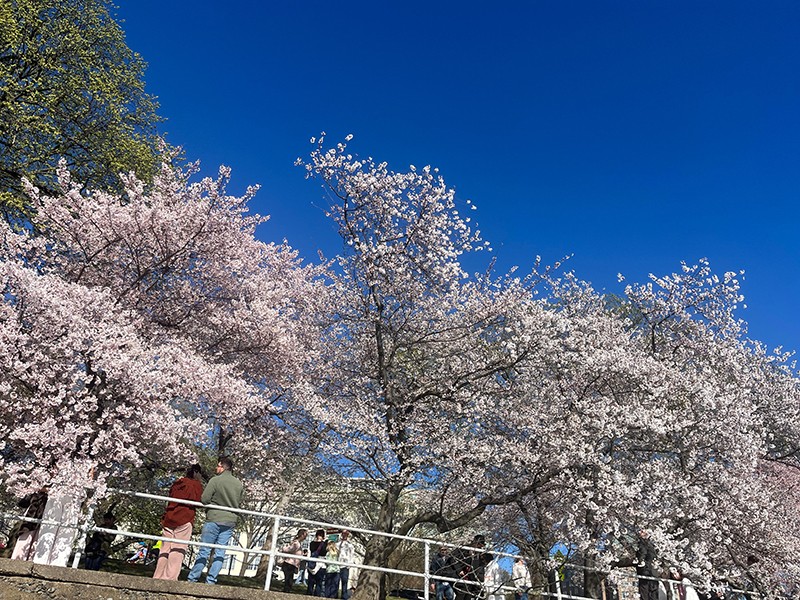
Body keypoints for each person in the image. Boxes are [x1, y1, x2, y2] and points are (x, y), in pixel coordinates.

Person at [187, 456, 244, 585]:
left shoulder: (215, 480)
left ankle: (193, 578)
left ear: (223, 467)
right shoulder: (238, 484)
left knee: (204, 550)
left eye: (218, 466)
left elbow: (205, 499)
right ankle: (211, 580)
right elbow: (238, 501)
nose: (216, 468)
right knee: (220, 552)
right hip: (230, 520)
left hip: (214, 518)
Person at [153, 463, 204, 580]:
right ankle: (170, 577)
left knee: (165, 548)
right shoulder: (195, 485)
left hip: (169, 517)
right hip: (184, 518)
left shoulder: (177, 483)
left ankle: (158, 575)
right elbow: (198, 500)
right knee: (178, 549)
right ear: (196, 472)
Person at [11, 487, 48, 561]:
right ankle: (18, 560)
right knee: (24, 540)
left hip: (44, 517)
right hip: (32, 515)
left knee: (36, 542)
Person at [453, 535, 489, 600]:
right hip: (458, 575)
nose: (480, 546)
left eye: (481, 545)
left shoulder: (479, 554)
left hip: (470, 578)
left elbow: (478, 568)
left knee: (469, 594)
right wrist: (459, 570)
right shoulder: (464, 549)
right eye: (478, 544)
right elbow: (453, 558)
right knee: (462, 592)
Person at [281, 528, 309, 593]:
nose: (306, 537)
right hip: (289, 563)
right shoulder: (296, 543)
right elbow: (290, 550)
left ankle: (286, 592)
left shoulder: (297, 543)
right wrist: (284, 548)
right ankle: (286, 592)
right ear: (301, 535)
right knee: (288, 580)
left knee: (289, 580)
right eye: (305, 535)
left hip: (292, 564)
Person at [636, 530, 660, 600]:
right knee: (653, 595)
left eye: (642, 531)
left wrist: (641, 561)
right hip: (652, 573)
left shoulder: (642, 544)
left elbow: (642, 554)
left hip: (645, 573)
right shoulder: (652, 545)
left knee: (645, 595)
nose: (640, 532)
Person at [307, 529, 328, 596]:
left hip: (312, 564)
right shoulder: (324, 544)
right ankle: (317, 596)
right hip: (321, 564)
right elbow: (324, 552)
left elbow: (312, 551)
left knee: (311, 582)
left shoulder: (312, 544)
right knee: (319, 582)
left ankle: (309, 595)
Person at [338, 530, 355, 600]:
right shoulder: (338, 544)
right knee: (336, 582)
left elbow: (352, 555)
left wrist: (349, 564)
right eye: (343, 534)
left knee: (344, 582)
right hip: (338, 565)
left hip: (345, 566)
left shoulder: (350, 545)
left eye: (346, 534)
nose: (344, 535)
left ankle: (344, 597)